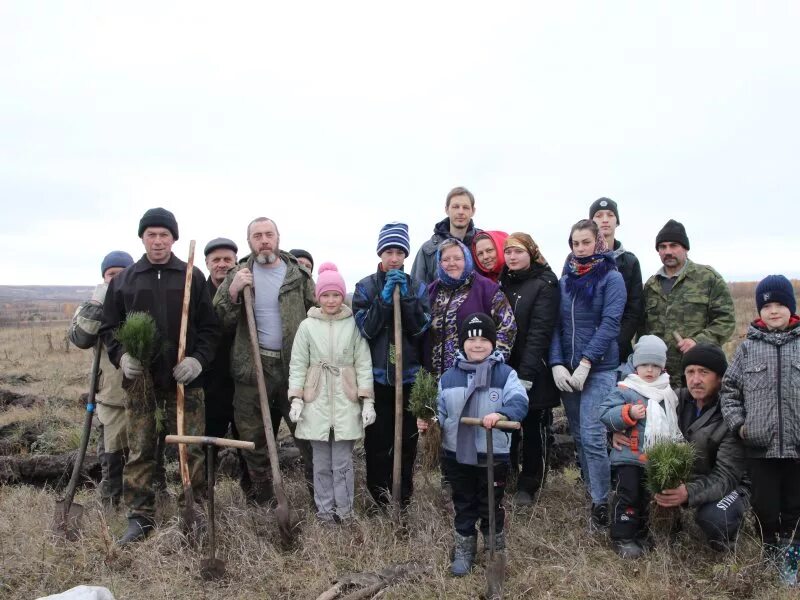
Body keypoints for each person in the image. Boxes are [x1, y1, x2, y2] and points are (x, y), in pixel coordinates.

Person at [100, 208, 219, 544]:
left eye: (164, 235)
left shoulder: (190, 276)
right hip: (141, 386)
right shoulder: (126, 280)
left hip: (185, 385)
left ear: (173, 239)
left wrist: (197, 360)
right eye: (151, 235)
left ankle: (193, 513)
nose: (157, 241)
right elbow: (110, 328)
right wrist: (122, 357)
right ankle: (140, 517)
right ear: (142, 238)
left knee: (190, 450)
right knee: (140, 451)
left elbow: (210, 328)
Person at [213, 217, 316, 504]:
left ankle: (318, 497)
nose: (264, 240)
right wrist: (233, 291)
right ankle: (265, 500)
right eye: (257, 235)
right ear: (249, 242)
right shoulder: (239, 273)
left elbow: (319, 314)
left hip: (294, 369)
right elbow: (220, 321)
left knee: (306, 433)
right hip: (251, 369)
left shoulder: (298, 275)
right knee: (253, 436)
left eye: (268, 234)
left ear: (278, 237)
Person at [417, 313, 528, 576]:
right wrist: (429, 423)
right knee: (463, 504)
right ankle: (464, 551)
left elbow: (519, 401)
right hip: (456, 454)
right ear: (462, 343)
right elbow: (441, 413)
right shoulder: (448, 378)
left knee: (491, 505)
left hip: (493, 454)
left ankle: (495, 552)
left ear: (493, 343)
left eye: (483, 340)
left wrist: (501, 415)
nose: (477, 345)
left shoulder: (505, 374)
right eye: (471, 339)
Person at [612, 344, 749, 553]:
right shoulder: (671, 399)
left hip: (729, 485)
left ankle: (727, 538)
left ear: (720, 377)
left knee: (716, 519)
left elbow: (727, 475)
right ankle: (637, 530)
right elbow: (636, 422)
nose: (695, 380)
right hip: (686, 480)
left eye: (704, 372)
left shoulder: (731, 413)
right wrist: (617, 431)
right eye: (690, 372)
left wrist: (688, 493)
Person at [721, 275, 800, 586]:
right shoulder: (747, 349)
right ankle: (769, 556)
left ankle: (790, 563)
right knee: (766, 507)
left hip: (796, 446)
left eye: (780, 304)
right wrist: (740, 426)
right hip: (760, 446)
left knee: (794, 508)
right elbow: (729, 391)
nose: (774, 310)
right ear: (759, 311)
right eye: (767, 305)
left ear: (791, 308)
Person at [549, 219, 626, 530]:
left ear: (598, 242)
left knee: (594, 437)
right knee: (580, 435)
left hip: (600, 369)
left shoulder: (611, 278)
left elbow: (610, 324)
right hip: (568, 372)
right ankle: (592, 488)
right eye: (575, 243)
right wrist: (556, 362)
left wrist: (586, 362)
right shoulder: (565, 279)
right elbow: (556, 325)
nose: (580, 248)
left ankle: (602, 503)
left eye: (586, 242)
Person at [288, 263, 375, 523]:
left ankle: (345, 513)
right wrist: (296, 398)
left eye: (335, 294)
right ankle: (325, 514)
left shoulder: (353, 325)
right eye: (325, 295)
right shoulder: (307, 326)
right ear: (318, 296)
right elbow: (298, 363)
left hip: (345, 400)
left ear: (342, 296)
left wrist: (367, 400)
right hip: (316, 400)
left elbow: (363, 363)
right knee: (321, 464)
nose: (330, 300)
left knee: (343, 464)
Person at [352, 222, 431, 509]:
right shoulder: (365, 286)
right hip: (376, 379)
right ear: (380, 253)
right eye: (389, 251)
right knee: (377, 443)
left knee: (406, 443)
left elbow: (421, 328)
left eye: (399, 252)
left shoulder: (417, 287)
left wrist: (406, 300)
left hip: (407, 377)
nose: (394, 257)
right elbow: (366, 330)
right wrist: (384, 302)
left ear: (405, 255)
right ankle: (379, 499)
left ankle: (402, 499)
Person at [600, 335, 682, 558]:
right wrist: (627, 414)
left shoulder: (667, 393)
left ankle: (642, 534)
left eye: (655, 366)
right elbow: (605, 414)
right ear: (636, 365)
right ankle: (623, 536)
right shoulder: (626, 389)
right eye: (645, 364)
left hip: (655, 459)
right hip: (628, 457)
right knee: (628, 496)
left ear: (662, 368)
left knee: (646, 498)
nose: (650, 370)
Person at [68, 250, 134, 506]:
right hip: (111, 394)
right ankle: (110, 505)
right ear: (103, 277)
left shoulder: (141, 299)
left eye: (122, 274)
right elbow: (81, 338)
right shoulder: (93, 306)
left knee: (146, 454)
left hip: (144, 392)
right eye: (111, 275)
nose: (116, 279)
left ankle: (146, 502)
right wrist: (97, 304)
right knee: (112, 455)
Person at [499, 233, 560, 504]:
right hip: (505, 367)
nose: (512, 257)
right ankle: (509, 474)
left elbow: (539, 333)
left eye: (518, 251)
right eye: (509, 252)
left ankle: (530, 481)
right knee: (507, 424)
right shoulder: (503, 283)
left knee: (533, 425)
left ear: (531, 253)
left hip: (533, 368)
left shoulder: (544, 284)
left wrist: (525, 375)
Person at [641, 219, 735, 387]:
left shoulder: (707, 278)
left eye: (673, 245)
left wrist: (697, 341)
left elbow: (725, 321)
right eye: (662, 247)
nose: (668, 251)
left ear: (685, 248)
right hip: (659, 377)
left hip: (698, 375)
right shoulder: (650, 286)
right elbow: (643, 330)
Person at [426, 238, 517, 379]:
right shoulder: (431, 291)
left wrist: (490, 363)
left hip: (476, 375)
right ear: (439, 263)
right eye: (446, 259)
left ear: (467, 259)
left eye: (457, 258)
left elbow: (508, 328)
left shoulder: (487, 289)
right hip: (434, 378)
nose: (452, 263)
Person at [203, 237, 250, 490]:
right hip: (211, 382)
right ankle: (203, 491)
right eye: (216, 260)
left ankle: (252, 492)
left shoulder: (249, 288)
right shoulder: (199, 292)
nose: (222, 264)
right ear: (207, 263)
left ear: (235, 262)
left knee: (248, 438)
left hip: (243, 379)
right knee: (208, 438)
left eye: (227, 260)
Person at [589, 198, 643, 363]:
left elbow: (634, 310)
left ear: (617, 221)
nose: (605, 219)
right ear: (591, 222)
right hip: (583, 345)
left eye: (610, 215)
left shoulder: (630, 262)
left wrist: (614, 343)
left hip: (617, 350)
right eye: (599, 215)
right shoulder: (576, 260)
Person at [410, 186, 482, 284]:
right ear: (447, 209)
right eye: (455, 207)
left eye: (465, 207)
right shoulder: (428, 250)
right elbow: (416, 289)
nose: (460, 212)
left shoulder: (483, 244)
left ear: (473, 211)